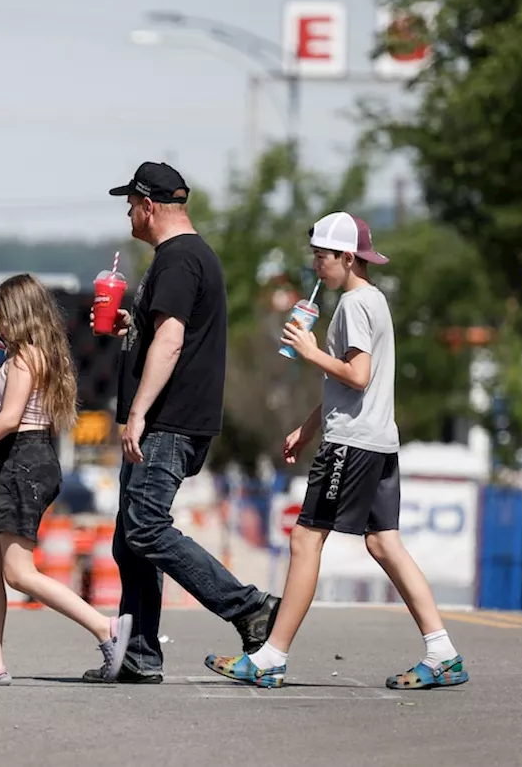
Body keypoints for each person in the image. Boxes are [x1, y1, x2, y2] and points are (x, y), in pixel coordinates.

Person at [205, 211, 469, 690]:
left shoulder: (353, 305)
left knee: (306, 539)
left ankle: (270, 658)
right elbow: (347, 383)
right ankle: (442, 652)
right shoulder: (373, 300)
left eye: (322, 257)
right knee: (383, 542)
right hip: (377, 440)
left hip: (353, 443)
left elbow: (358, 374)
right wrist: (307, 428)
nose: (316, 266)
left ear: (348, 258)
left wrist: (308, 351)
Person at [86, 162, 279, 685]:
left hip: (167, 422)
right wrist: (132, 324)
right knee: (130, 538)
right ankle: (140, 655)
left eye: (130, 203)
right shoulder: (187, 259)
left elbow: (172, 342)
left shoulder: (178, 260)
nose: (127, 211)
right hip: (170, 420)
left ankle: (249, 608)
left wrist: (138, 413)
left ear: (150, 206)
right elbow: (167, 332)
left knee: (145, 527)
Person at [0, 273, 134, 686]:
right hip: (16, 462)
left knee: (18, 572)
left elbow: (10, 419)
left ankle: (106, 628)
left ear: (19, 314)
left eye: (1, 315)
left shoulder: (26, 357)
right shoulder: (24, 355)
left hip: (23, 461)